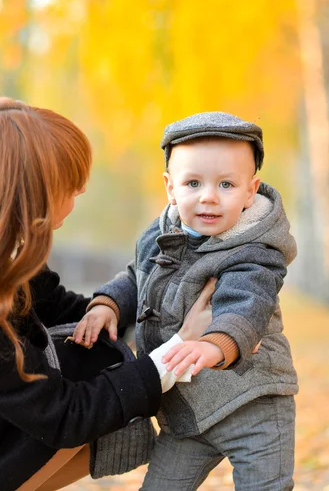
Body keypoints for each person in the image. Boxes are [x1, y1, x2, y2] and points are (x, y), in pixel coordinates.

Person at [0, 98, 216, 491]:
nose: (81, 189)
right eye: (70, 183)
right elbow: (62, 415)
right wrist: (176, 352)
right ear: (34, 194)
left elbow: (69, 309)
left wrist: (109, 305)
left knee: (97, 354)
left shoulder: (12, 261)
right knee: (91, 374)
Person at [77, 111, 299, 491]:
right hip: (185, 414)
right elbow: (136, 276)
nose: (208, 197)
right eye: (193, 182)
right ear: (170, 187)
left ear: (250, 190)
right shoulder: (161, 234)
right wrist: (107, 305)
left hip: (252, 403)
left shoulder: (254, 251)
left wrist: (217, 343)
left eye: (226, 184)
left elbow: (247, 302)